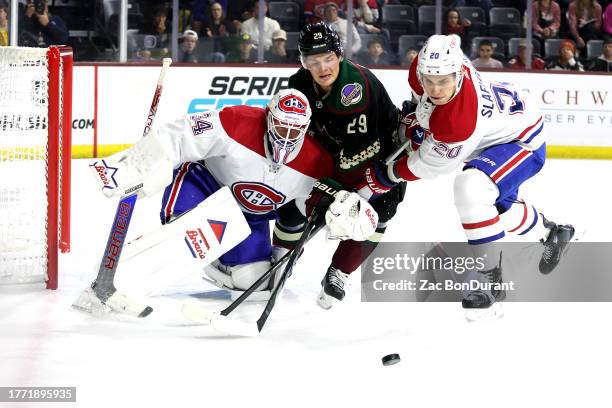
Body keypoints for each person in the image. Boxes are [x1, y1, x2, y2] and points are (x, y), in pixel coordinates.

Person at [84, 89, 378, 302]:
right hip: (204, 187)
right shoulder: (235, 122)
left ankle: (217, 262)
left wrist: (344, 213)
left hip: (249, 218)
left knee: (254, 281)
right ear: (268, 117)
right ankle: (126, 271)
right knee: (187, 232)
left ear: (306, 128)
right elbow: (178, 135)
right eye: (281, 125)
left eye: (295, 129)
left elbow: (307, 210)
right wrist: (133, 164)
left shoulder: (316, 163)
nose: (286, 136)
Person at [358, 34, 575, 313]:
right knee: (498, 208)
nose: (435, 89)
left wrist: (384, 176)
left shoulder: (459, 121)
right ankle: (553, 233)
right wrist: (417, 117)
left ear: (459, 74)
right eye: (429, 80)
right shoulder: (429, 67)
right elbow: (439, 59)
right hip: (501, 121)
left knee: (471, 188)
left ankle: (490, 279)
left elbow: (426, 165)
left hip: (521, 138)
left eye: (443, 82)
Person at [289, 22, 404, 309]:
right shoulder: (299, 84)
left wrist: (332, 190)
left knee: (378, 212)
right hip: (333, 150)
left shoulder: (353, 90)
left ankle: (340, 271)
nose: (322, 67)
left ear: (339, 55)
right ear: (304, 63)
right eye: (313, 61)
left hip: (380, 155)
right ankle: (283, 256)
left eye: (328, 58)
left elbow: (361, 152)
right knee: (293, 197)